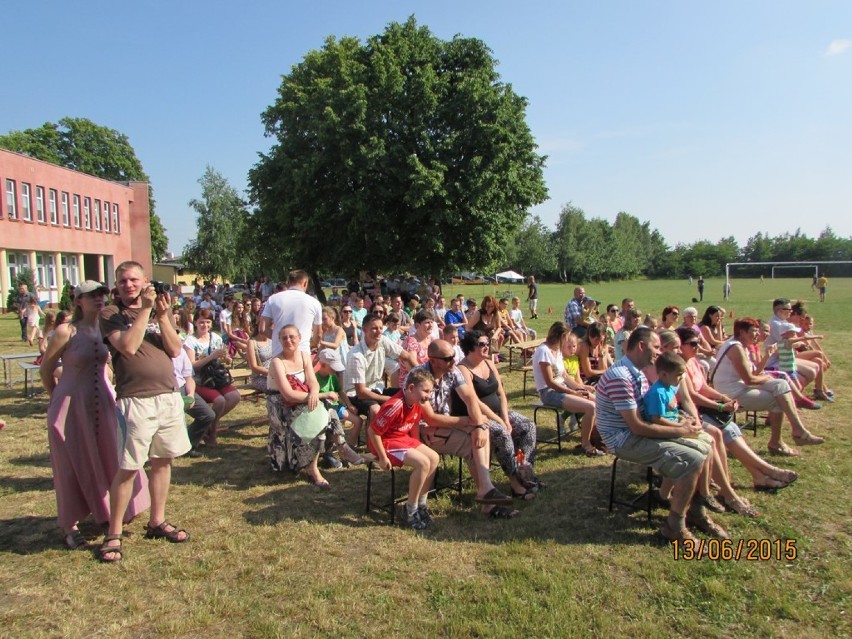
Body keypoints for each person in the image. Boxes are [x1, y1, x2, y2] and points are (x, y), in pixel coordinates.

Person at [40, 281, 150, 551]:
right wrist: (57, 398)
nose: (99, 300)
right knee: (71, 462)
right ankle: (69, 525)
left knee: (110, 455)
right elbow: (46, 369)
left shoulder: (103, 328)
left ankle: (109, 511)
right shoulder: (66, 331)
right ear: (78, 300)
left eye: (102, 294)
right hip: (71, 403)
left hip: (101, 400)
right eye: (92, 296)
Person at [100, 261, 192, 563]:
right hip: (135, 401)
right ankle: (114, 533)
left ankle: (157, 521)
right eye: (123, 280)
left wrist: (162, 316)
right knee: (128, 467)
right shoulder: (110, 315)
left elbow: (176, 349)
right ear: (117, 284)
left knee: (162, 461)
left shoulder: (157, 312)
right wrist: (144, 312)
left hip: (166, 396)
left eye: (134, 280)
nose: (129, 285)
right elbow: (126, 347)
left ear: (144, 281)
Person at [596, 327, 720, 544]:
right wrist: (680, 430)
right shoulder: (621, 377)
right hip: (623, 439)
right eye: (656, 347)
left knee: (706, 442)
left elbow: (649, 415)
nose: (659, 353)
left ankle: (696, 509)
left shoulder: (638, 372)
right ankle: (674, 526)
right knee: (693, 458)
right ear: (641, 346)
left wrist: (680, 421)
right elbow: (636, 427)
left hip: (636, 432)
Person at [675, 327, 798, 494]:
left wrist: (723, 397)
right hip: (690, 413)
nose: (698, 347)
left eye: (698, 342)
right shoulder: (678, 365)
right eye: (693, 344)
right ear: (680, 345)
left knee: (731, 429)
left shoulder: (693, 361)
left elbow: (703, 387)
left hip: (703, 409)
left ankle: (759, 475)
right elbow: (691, 396)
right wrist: (720, 405)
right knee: (724, 431)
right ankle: (766, 471)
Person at [413, 341, 519, 518]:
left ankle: (486, 490)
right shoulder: (419, 377)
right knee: (474, 444)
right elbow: (430, 419)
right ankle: (488, 500)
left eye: (454, 356)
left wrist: (477, 425)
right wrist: (467, 422)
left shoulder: (452, 371)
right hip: (424, 432)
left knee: (482, 428)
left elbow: (470, 398)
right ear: (433, 361)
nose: (453, 361)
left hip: (445, 426)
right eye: (448, 359)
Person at [266, 325, 364, 487]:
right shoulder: (277, 362)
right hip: (281, 405)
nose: (288, 340)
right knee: (321, 417)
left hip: (302, 398)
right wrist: (319, 396)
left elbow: (313, 382)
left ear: (299, 338)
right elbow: (287, 394)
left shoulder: (304, 357)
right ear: (279, 340)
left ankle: (335, 451)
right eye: (284, 338)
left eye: (292, 337)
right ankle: (335, 452)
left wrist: (314, 393)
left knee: (327, 413)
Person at [712, 318, 824, 457]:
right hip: (730, 394)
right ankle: (780, 442)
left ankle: (797, 431)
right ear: (742, 332)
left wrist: (767, 358)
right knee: (778, 399)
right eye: (753, 331)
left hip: (739, 387)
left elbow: (754, 373)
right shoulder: (736, 348)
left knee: (781, 385)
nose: (757, 335)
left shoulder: (741, 346)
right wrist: (768, 377)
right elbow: (749, 379)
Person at [454, 331, 539, 498]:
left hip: (499, 412)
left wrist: (505, 417)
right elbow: (474, 402)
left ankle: (524, 470)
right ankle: (514, 482)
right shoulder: (463, 369)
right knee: (501, 433)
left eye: (487, 344)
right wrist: (500, 421)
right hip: (479, 416)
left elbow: (501, 393)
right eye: (482, 344)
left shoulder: (489, 363)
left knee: (527, 426)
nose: (487, 347)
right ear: (471, 348)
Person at [368, 368, 440, 529]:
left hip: (402, 439)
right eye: (426, 391)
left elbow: (413, 424)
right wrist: (382, 457)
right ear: (411, 388)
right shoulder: (395, 405)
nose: (428, 395)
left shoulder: (417, 402)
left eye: (430, 391)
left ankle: (421, 505)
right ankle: (409, 510)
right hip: (385, 442)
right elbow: (373, 431)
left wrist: (416, 444)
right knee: (422, 463)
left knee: (434, 458)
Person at [343, 312, 419, 445]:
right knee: (375, 409)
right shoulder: (356, 355)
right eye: (374, 328)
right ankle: (372, 446)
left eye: (380, 328)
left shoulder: (382, 340)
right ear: (364, 330)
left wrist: (422, 375)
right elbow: (361, 393)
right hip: (354, 394)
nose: (378, 332)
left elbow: (406, 355)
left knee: (410, 395)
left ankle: (402, 436)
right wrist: (390, 400)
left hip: (375, 388)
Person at [532, 323, 599, 456]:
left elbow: (565, 376)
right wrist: (573, 392)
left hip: (562, 388)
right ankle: (586, 444)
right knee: (590, 407)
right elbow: (550, 382)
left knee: (597, 401)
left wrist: (582, 387)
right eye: (566, 337)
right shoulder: (543, 351)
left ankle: (595, 436)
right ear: (561, 336)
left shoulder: (557, 350)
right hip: (549, 393)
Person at [183, 309, 242, 446]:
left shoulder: (215, 337)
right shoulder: (190, 341)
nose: (205, 325)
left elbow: (223, 359)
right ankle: (212, 433)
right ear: (195, 323)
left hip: (216, 378)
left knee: (234, 397)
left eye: (208, 322)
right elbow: (192, 366)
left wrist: (226, 358)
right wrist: (211, 356)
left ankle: (208, 427)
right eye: (201, 322)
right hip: (199, 381)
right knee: (220, 401)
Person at [260, 269, 323, 357]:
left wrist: (280, 339)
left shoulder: (273, 299)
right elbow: (319, 334)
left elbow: (262, 329)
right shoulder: (314, 302)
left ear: (288, 282)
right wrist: (312, 343)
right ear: (305, 283)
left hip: (278, 352)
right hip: (302, 353)